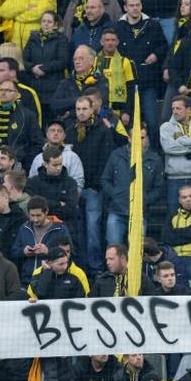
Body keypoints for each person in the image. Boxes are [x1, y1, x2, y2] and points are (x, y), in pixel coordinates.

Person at [66, 94, 114, 273]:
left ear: (92, 108)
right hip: (74, 188)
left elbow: (106, 160)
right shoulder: (70, 130)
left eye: (84, 108)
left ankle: (95, 266)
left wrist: (97, 184)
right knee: (78, 229)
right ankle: (79, 266)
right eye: (78, 109)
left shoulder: (102, 129)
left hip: (94, 188)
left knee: (93, 228)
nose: (81, 112)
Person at [115, 0, 168, 143]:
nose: (135, 8)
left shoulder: (152, 25)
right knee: (128, 124)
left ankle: (155, 154)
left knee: (152, 122)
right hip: (126, 85)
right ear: (125, 7)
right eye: (131, 5)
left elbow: (164, 46)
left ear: (142, 5)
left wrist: (156, 55)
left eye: (137, 5)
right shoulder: (118, 27)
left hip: (148, 83)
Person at [101, 124, 163, 245]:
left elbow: (159, 187)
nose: (140, 141)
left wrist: (145, 199)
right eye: (136, 137)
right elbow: (105, 179)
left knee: (137, 250)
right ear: (129, 138)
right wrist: (115, 194)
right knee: (114, 248)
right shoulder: (116, 155)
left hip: (140, 213)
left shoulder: (155, 159)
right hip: (117, 210)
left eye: (143, 137)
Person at [0, 79, 44, 169]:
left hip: (18, 164)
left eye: (8, 90)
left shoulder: (28, 115)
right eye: (1, 90)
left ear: (17, 95)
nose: (3, 93)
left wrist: (25, 164)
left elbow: (37, 143)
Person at [160, 95, 191, 211]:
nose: (175, 111)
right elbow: (168, 147)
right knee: (174, 216)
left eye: (179, 108)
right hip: (174, 178)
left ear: (188, 109)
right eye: (173, 108)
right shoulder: (166, 127)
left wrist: (181, 140)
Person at [11, 195, 73, 285]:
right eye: (32, 215)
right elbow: (14, 251)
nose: (35, 219)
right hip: (27, 281)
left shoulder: (60, 229)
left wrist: (48, 251)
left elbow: (70, 253)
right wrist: (24, 252)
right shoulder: (24, 228)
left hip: (52, 281)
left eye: (38, 215)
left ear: (46, 212)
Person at [26, 146, 79, 226]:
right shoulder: (33, 182)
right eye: (54, 165)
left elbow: (71, 209)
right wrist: (58, 204)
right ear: (45, 164)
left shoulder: (71, 183)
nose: (58, 168)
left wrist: (46, 207)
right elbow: (33, 206)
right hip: (39, 226)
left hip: (65, 226)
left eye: (60, 164)